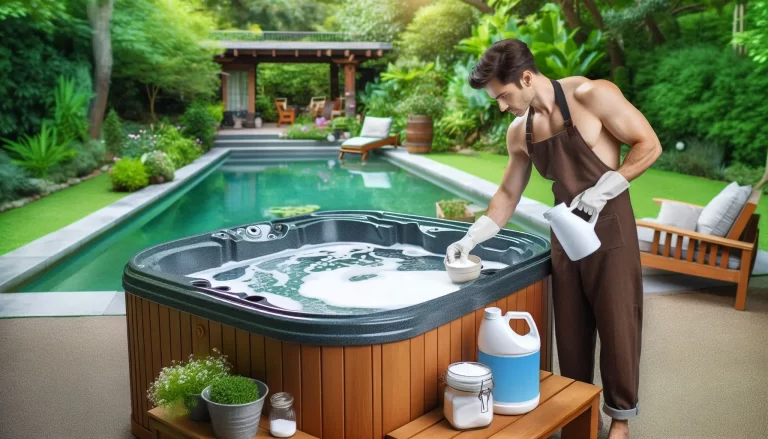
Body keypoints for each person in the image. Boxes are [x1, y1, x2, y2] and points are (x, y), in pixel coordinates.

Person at [445, 39, 661, 439]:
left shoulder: (592, 95)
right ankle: (582, 412)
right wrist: (471, 238)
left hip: (610, 226)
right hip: (565, 234)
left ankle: (620, 421)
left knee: (618, 326)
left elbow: (649, 145)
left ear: (527, 77)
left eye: (504, 95)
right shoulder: (519, 132)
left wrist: (605, 188)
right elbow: (508, 194)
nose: (501, 106)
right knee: (572, 334)